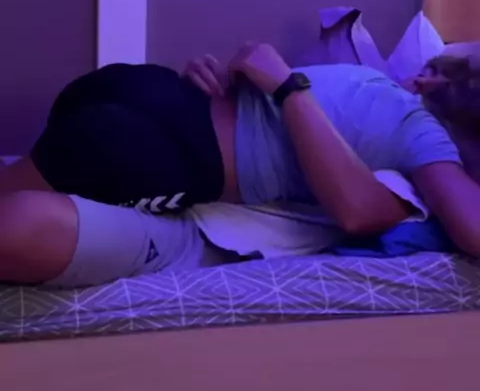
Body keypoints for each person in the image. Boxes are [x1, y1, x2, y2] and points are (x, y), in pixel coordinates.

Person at [1, 43, 480, 287]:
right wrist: (287, 88)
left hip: (148, 93)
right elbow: (469, 229)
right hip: (164, 151)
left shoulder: (367, 83)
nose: (421, 77)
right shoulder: (420, 129)